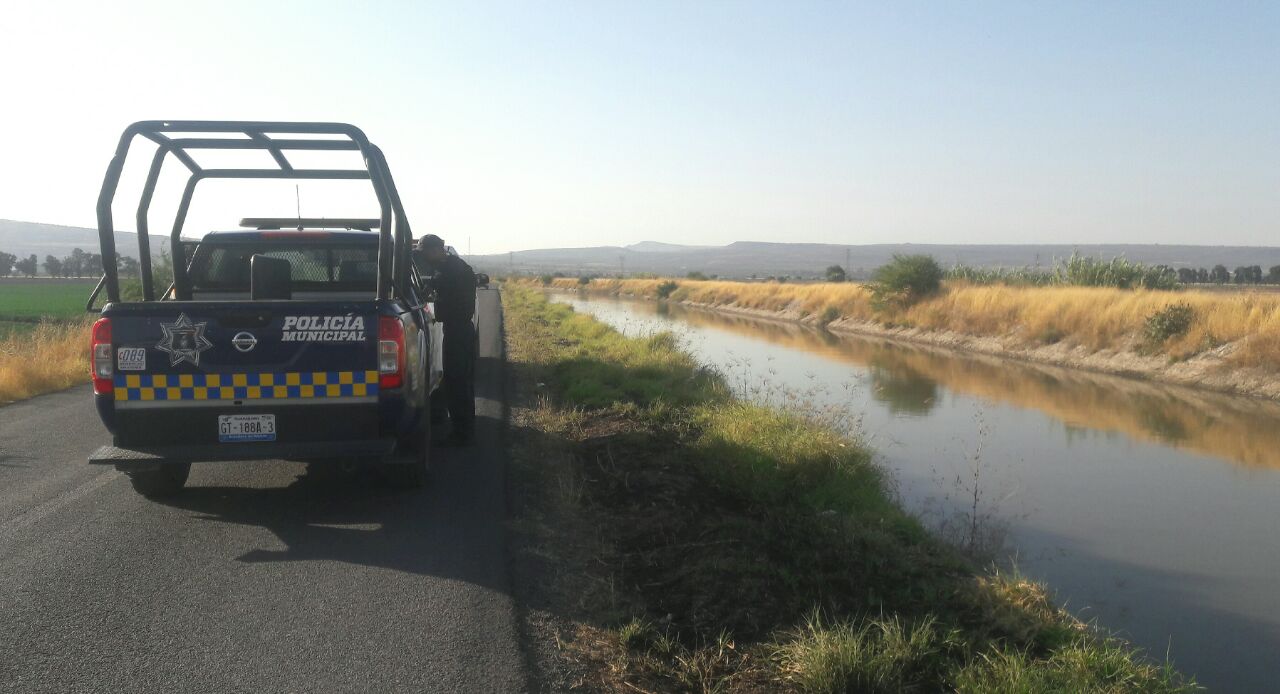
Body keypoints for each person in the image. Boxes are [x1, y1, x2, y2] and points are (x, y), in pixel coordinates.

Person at [413, 234, 477, 444]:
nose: (425, 259)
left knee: (456, 381)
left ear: (435, 250)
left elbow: (455, 302)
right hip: (459, 329)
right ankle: (465, 427)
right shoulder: (452, 268)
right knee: (459, 381)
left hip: (458, 330)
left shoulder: (453, 271)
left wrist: (434, 298)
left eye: (425, 253)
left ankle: (462, 433)